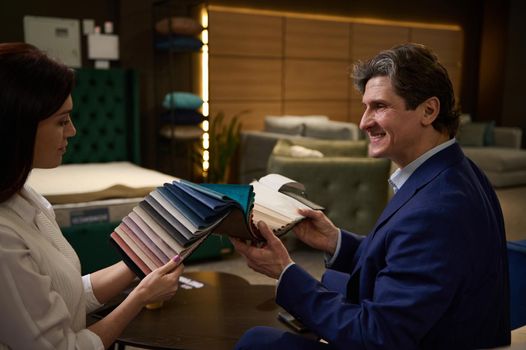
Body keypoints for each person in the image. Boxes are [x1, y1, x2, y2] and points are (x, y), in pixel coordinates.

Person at [231, 43, 510, 349]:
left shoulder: (438, 209)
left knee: (256, 341)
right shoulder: (455, 169)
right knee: (306, 302)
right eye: (366, 107)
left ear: (429, 110)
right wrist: (335, 241)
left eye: (379, 106)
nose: (364, 122)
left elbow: (377, 338)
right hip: (437, 328)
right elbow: (408, 257)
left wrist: (284, 273)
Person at [0, 42, 184, 349]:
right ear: (19, 126)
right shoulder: (4, 239)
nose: (72, 131)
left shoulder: (23, 195)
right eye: (61, 120)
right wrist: (140, 297)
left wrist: (138, 263)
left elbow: (63, 299)